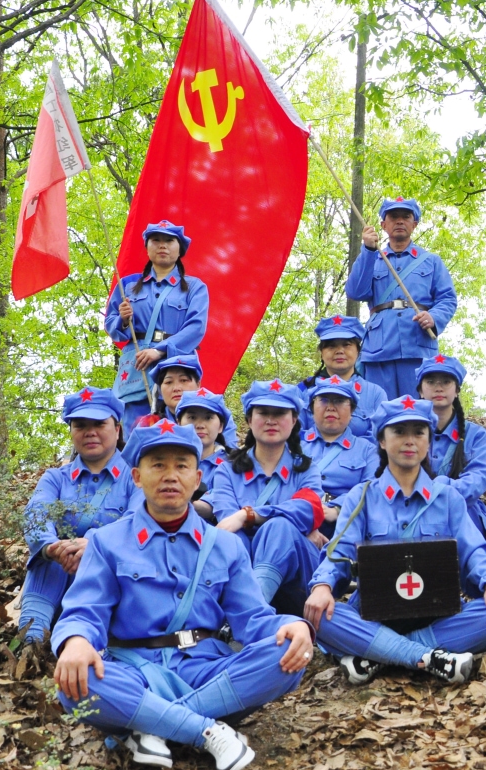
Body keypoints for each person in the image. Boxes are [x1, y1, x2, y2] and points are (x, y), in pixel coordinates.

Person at [51, 421, 313, 770]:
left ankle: (150, 725)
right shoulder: (106, 541)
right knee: (76, 682)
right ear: (137, 477)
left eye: (182, 465)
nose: (170, 476)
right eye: (158, 465)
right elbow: (84, 611)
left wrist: (294, 625)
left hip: (205, 669)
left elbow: (254, 620)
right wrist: (77, 642)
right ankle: (206, 731)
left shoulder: (226, 545)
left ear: (197, 477)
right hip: (133, 669)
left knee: (288, 654)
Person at [304, 397, 486, 685]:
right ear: (381, 440)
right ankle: (430, 658)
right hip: (373, 615)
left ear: (428, 441)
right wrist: (323, 586)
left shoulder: (447, 497)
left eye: (418, 432)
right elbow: (339, 551)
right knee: (321, 616)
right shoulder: (361, 497)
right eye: (399, 432)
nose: (409, 440)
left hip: (437, 614)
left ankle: (380, 655)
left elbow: (473, 550)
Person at [18, 388, 138, 644]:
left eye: (99, 424)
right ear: (71, 432)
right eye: (80, 425)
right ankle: (32, 638)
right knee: (45, 559)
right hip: (56, 575)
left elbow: (139, 519)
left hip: (111, 577)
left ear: (117, 429)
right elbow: (36, 514)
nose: (90, 432)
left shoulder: (136, 477)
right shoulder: (55, 478)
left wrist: (94, 543)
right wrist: (52, 548)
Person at [206, 380, 325, 616]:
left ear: (294, 420)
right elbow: (228, 523)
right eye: (263, 412)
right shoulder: (227, 470)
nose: (271, 420)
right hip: (243, 569)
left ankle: (251, 613)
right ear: (250, 420)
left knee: (279, 527)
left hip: (299, 581)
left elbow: (308, 510)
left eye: (279, 413)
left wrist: (249, 515)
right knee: (235, 537)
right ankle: (254, 608)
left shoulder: (305, 469)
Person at [344, 197, 458, 397]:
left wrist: (434, 317)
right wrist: (368, 250)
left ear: (414, 224)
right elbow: (356, 292)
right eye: (393, 216)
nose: (399, 221)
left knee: (418, 410)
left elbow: (447, 298)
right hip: (378, 350)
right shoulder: (371, 258)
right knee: (380, 410)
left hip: (418, 347)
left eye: (406, 217)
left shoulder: (431, 261)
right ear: (383, 225)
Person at [105, 221, 210, 423]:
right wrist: (123, 320)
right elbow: (110, 324)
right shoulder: (127, 284)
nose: (162, 245)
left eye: (169, 241)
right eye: (156, 240)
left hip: (176, 364)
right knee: (134, 426)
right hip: (137, 367)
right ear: (147, 247)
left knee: (179, 425)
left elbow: (196, 327)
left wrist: (159, 350)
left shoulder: (195, 287)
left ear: (180, 249)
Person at [415, 354, 486, 541]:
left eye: (446, 381)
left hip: (465, 515)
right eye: (431, 382)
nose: (439, 387)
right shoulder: (405, 434)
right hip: (414, 511)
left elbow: (477, 480)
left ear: (457, 390)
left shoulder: (477, 436)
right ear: (420, 390)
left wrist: (439, 489)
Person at [300, 377, 377, 534]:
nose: (330, 407)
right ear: (312, 408)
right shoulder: (294, 446)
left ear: (352, 411)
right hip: (302, 521)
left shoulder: (368, 450)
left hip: (348, 524)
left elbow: (372, 489)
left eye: (339, 401)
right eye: (323, 400)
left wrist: (338, 508)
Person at [297, 315, 386, 441]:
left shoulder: (375, 394)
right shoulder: (303, 390)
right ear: (321, 352)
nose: (339, 351)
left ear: (358, 351)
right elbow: (294, 435)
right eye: (331, 346)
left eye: (346, 345)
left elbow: (380, 439)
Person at [176, 388, 234, 520]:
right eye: (192, 417)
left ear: (221, 426)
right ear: (178, 423)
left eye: (208, 418)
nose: (200, 425)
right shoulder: (164, 461)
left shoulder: (232, 465)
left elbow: (220, 503)